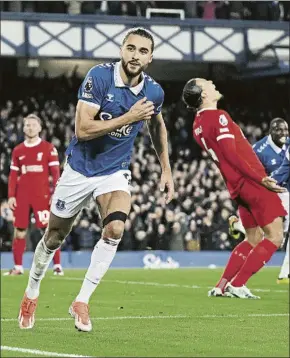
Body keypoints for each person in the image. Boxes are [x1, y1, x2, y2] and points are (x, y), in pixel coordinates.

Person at [18, 27, 174, 331]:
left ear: (150, 58)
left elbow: (157, 126)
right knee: (53, 238)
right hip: (79, 169)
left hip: (114, 171)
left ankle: (82, 300)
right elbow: (83, 130)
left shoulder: (154, 92)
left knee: (115, 228)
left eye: (142, 51)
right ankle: (31, 292)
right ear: (121, 50)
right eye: (131, 48)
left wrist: (166, 169)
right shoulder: (99, 77)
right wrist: (128, 118)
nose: (135, 55)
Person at [182, 78, 287, 299]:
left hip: (237, 187)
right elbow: (231, 154)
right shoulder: (218, 117)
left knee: (252, 239)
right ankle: (237, 284)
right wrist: (261, 178)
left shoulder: (197, 125)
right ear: (203, 95)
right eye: (206, 83)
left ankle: (221, 286)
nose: (211, 82)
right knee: (275, 237)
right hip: (251, 182)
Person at [229, 119, 289, 283]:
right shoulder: (259, 150)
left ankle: (285, 272)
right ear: (270, 131)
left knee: (276, 236)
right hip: (268, 194)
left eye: (285, 130)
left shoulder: (288, 144)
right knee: (269, 237)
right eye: (279, 130)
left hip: (285, 193)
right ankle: (239, 224)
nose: (283, 134)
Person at [4, 114, 63, 276]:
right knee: (20, 231)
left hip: (42, 195)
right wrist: (11, 196)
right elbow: (13, 176)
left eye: (33, 125)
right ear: (23, 128)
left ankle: (57, 265)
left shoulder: (48, 148)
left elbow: (56, 174)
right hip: (22, 196)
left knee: (49, 231)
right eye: (27, 125)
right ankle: (18, 267)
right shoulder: (18, 151)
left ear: (40, 128)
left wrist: (55, 194)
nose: (30, 127)